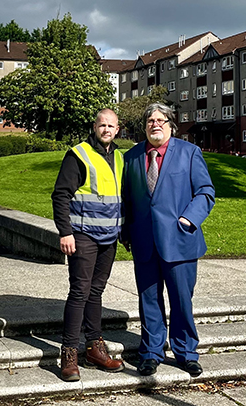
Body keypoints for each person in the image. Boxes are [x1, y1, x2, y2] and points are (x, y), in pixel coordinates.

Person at [121, 103, 215, 377]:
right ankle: (151, 351)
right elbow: (126, 198)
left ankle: (186, 352)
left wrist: (189, 219)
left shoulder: (189, 153)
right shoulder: (132, 157)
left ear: (171, 125)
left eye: (161, 120)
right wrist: (126, 231)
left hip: (180, 241)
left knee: (181, 300)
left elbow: (206, 192)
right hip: (144, 242)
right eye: (150, 120)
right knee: (148, 300)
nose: (155, 124)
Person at [51, 108, 125, 382]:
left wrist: (124, 231)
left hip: (109, 237)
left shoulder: (119, 157)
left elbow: (120, 197)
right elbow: (60, 195)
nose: (106, 129)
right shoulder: (78, 154)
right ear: (94, 127)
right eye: (102, 125)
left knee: (96, 291)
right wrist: (65, 232)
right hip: (82, 235)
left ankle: (95, 347)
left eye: (111, 126)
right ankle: (69, 353)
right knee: (80, 291)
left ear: (118, 129)